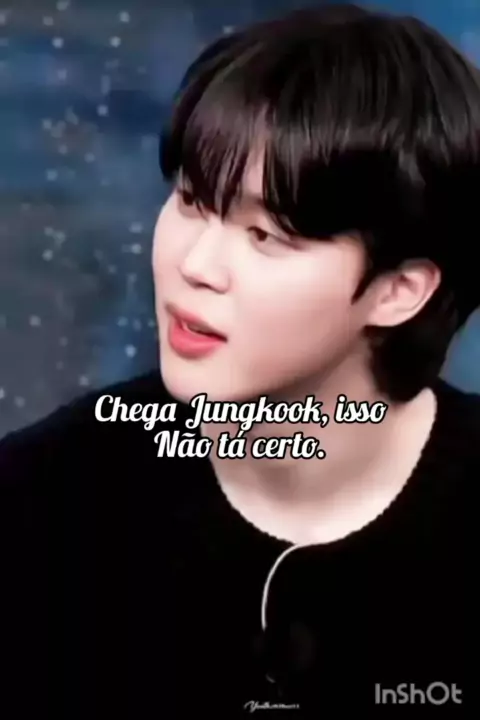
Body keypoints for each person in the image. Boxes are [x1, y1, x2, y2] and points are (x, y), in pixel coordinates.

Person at [0, 3, 478, 718]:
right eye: (192, 201)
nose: (194, 265)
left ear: (398, 290)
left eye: (265, 235)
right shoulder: (40, 504)